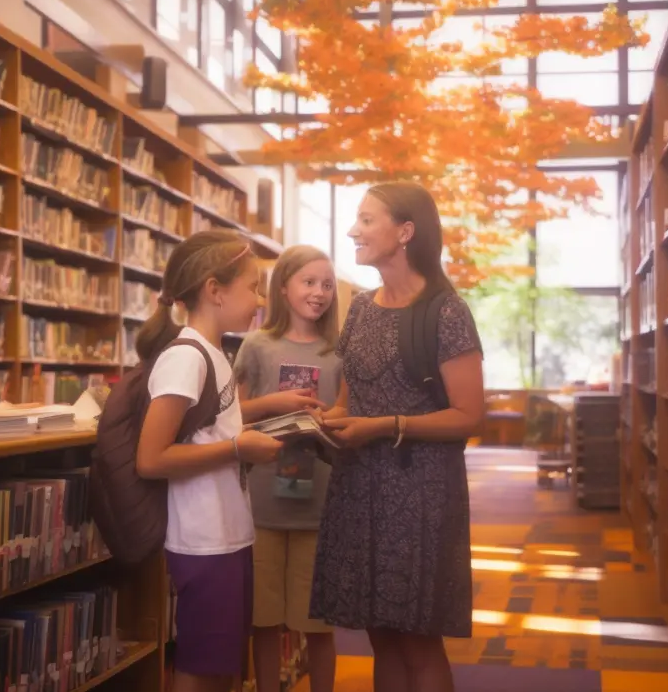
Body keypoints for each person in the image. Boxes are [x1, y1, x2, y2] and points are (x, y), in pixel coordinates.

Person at [310, 182, 485, 692]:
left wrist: (385, 427)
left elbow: (469, 414)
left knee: (418, 640)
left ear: (405, 232)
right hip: (358, 490)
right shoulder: (361, 308)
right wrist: (329, 421)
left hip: (420, 496)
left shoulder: (447, 312)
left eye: (366, 220)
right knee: (380, 636)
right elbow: (350, 399)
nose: (352, 231)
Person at [134, 229, 284, 692]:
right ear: (214, 291)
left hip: (228, 533)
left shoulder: (215, 353)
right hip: (202, 540)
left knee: (223, 667)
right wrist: (239, 449)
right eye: (253, 287)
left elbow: (211, 424)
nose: (260, 300)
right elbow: (152, 458)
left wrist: (269, 410)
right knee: (200, 667)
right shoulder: (186, 356)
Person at [233, 245, 341, 692]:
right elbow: (233, 414)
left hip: (319, 502)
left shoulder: (338, 351)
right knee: (264, 619)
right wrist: (276, 404)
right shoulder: (257, 345)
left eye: (327, 285)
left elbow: (346, 416)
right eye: (309, 282)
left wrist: (328, 422)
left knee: (318, 623)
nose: (319, 293)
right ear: (283, 287)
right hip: (261, 503)